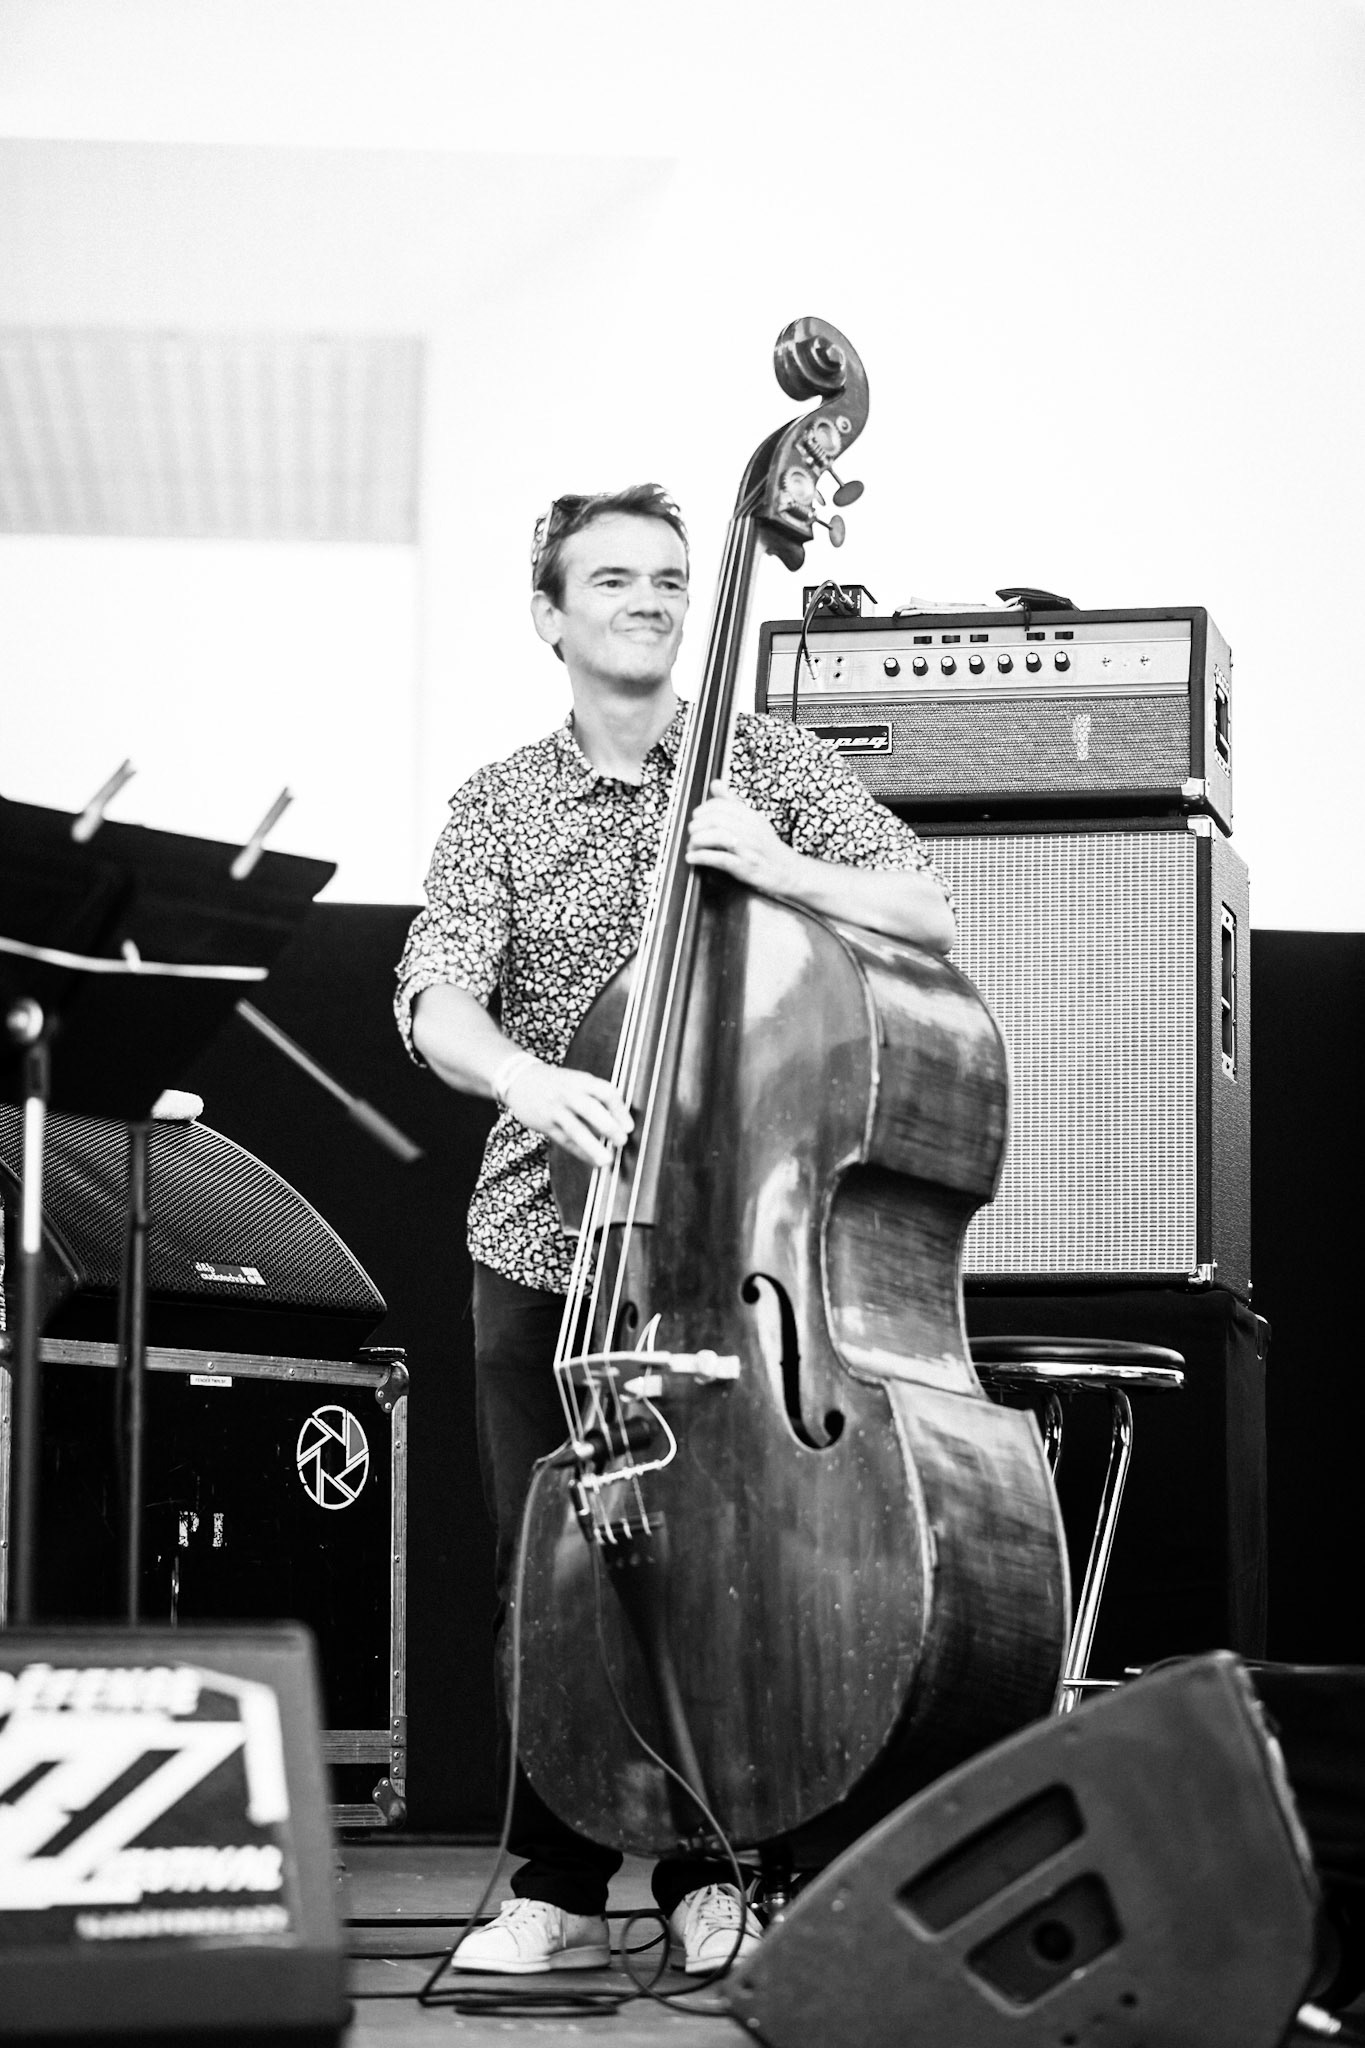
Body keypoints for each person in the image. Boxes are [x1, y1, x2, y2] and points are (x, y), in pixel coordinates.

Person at [394, 483, 956, 1976]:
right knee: (560, 1570)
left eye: (667, 577)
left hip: (735, 1251)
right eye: (612, 579)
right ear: (550, 617)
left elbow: (926, 905)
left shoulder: (764, 763)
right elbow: (435, 993)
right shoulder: (499, 803)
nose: (646, 600)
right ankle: (554, 1882)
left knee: (742, 1562)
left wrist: (769, 862)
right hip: (551, 1246)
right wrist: (526, 1074)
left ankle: (726, 1870)